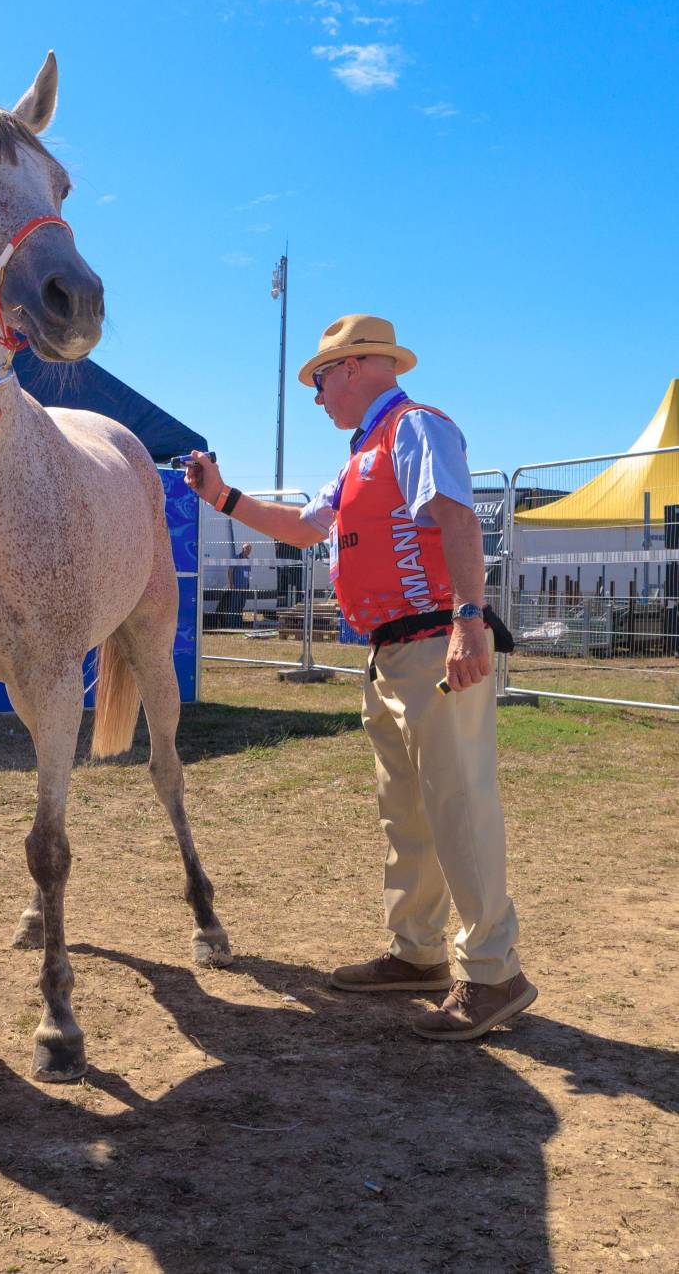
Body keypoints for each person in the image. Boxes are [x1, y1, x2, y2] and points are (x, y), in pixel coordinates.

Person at [186, 314, 534, 1044]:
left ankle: (494, 972)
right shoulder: (357, 459)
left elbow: (457, 520)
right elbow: (304, 530)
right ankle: (418, 954)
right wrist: (221, 497)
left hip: (434, 641)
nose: (315, 396)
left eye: (318, 379)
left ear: (355, 367)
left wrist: (469, 622)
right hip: (391, 652)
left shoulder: (413, 428)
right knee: (406, 810)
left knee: (458, 804)